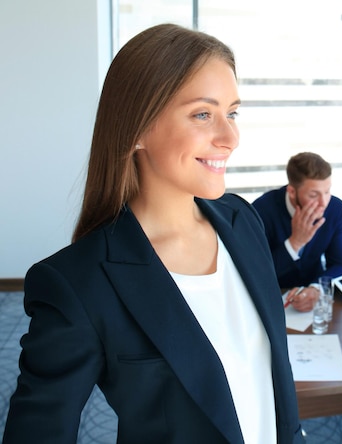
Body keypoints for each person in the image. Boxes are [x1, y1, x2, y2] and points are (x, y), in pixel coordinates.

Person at [3, 24, 303, 444]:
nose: (230, 137)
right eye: (203, 114)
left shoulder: (242, 220)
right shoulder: (79, 283)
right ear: (138, 128)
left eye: (232, 113)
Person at [252, 152, 342, 312]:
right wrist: (295, 243)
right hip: (273, 299)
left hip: (314, 298)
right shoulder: (261, 211)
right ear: (291, 191)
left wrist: (316, 288)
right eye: (313, 195)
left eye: (327, 191)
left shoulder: (335, 208)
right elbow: (258, 274)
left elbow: (341, 264)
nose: (323, 202)